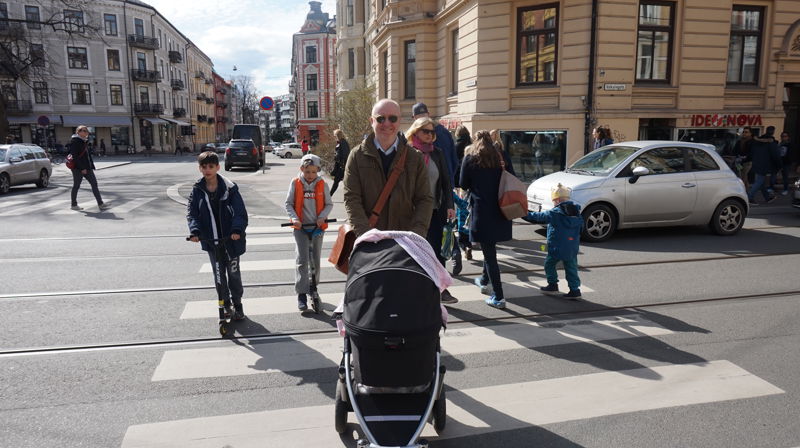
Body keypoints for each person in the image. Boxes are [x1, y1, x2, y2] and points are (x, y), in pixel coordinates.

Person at [343, 98, 433, 237]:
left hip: (404, 240)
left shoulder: (415, 158)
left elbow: (424, 199)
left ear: (399, 121)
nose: (387, 123)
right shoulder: (356, 156)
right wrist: (365, 235)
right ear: (372, 121)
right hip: (369, 240)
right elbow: (352, 198)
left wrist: (416, 234)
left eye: (392, 118)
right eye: (380, 119)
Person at [187, 151, 249, 321]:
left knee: (234, 275)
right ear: (200, 168)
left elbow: (240, 212)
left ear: (217, 167)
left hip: (231, 240)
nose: (207, 170)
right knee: (219, 276)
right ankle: (225, 304)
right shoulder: (197, 189)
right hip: (212, 240)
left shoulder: (230, 188)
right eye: (204, 167)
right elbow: (192, 213)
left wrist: (237, 230)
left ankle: (238, 304)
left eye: (211, 167)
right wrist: (195, 231)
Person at [458, 130, 513, 309]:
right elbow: (512, 176)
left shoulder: (471, 158)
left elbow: (463, 183)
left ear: (475, 140)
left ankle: (499, 296)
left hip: (482, 210)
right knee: (490, 248)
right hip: (502, 208)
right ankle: (483, 279)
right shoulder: (501, 156)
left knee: (490, 255)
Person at [406, 117, 458, 304]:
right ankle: (418, 288)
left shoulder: (438, 153)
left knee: (437, 251)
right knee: (415, 250)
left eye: (432, 132)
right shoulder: (407, 153)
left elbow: (446, 181)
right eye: (425, 131)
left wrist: (450, 205)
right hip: (413, 212)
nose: (430, 135)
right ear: (415, 132)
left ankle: (440, 289)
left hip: (436, 210)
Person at [284, 154, 334, 311]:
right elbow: (289, 204)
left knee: (315, 261)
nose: (310, 175)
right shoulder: (295, 183)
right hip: (301, 228)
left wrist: (322, 217)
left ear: (318, 170)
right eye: (307, 172)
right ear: (301, 169)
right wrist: (294, 219)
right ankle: (301, 293)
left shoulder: (322, 184)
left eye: (313, 172)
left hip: (317, 228)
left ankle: (313, 287)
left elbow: (329, 204)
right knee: (302, 260)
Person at [522, 183, 584, 300]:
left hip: (557, 246)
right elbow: (581, 228)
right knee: (571, 268)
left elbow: (538, 216)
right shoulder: (576, 212)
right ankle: (575, 290)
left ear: (557, 200)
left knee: (549, 264)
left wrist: (523, 214)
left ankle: (552, 285)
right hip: (572, 246)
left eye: (554, 201)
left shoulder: (555, 213)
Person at [412, 102, 458, 183]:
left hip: (437, 185)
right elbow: (454, 160)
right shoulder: (444, 132)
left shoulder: (419, 138)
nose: (429, 134)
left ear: (414, 118)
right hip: (446, 181)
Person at [69, 125, 108, 211]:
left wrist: (91, 166)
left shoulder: (84, 141)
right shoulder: (75, 141)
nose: (86, 132)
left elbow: (87, 156)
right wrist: (82, 168)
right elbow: (75, 157)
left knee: (94, 184)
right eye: (84, 130)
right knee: (76, 185)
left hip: (88, 167)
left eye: (86, 130)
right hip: (78, 168)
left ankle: (100, 203)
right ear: (78, 132)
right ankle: (73, 204)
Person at [748, 127, 779, 206]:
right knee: (759, 181)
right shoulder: (771, 142)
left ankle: (767, 197)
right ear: (773, 132)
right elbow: (775, 155)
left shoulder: (758, 140)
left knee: (761, 182)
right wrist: (779, 166)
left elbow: (752, 151)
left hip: (756, 162)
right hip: (764, 164)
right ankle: (749, 197)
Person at [330, 129, 350, 196]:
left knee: (337, 181)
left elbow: (345, 154)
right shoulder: (340, 142)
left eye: (335, 135)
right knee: (339, 181)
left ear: (338, 135)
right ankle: (330, 195)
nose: (334, 137)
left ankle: (329, 195)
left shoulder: (343, 142)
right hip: (340, 165)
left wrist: (338, 158)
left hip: (342, 166)